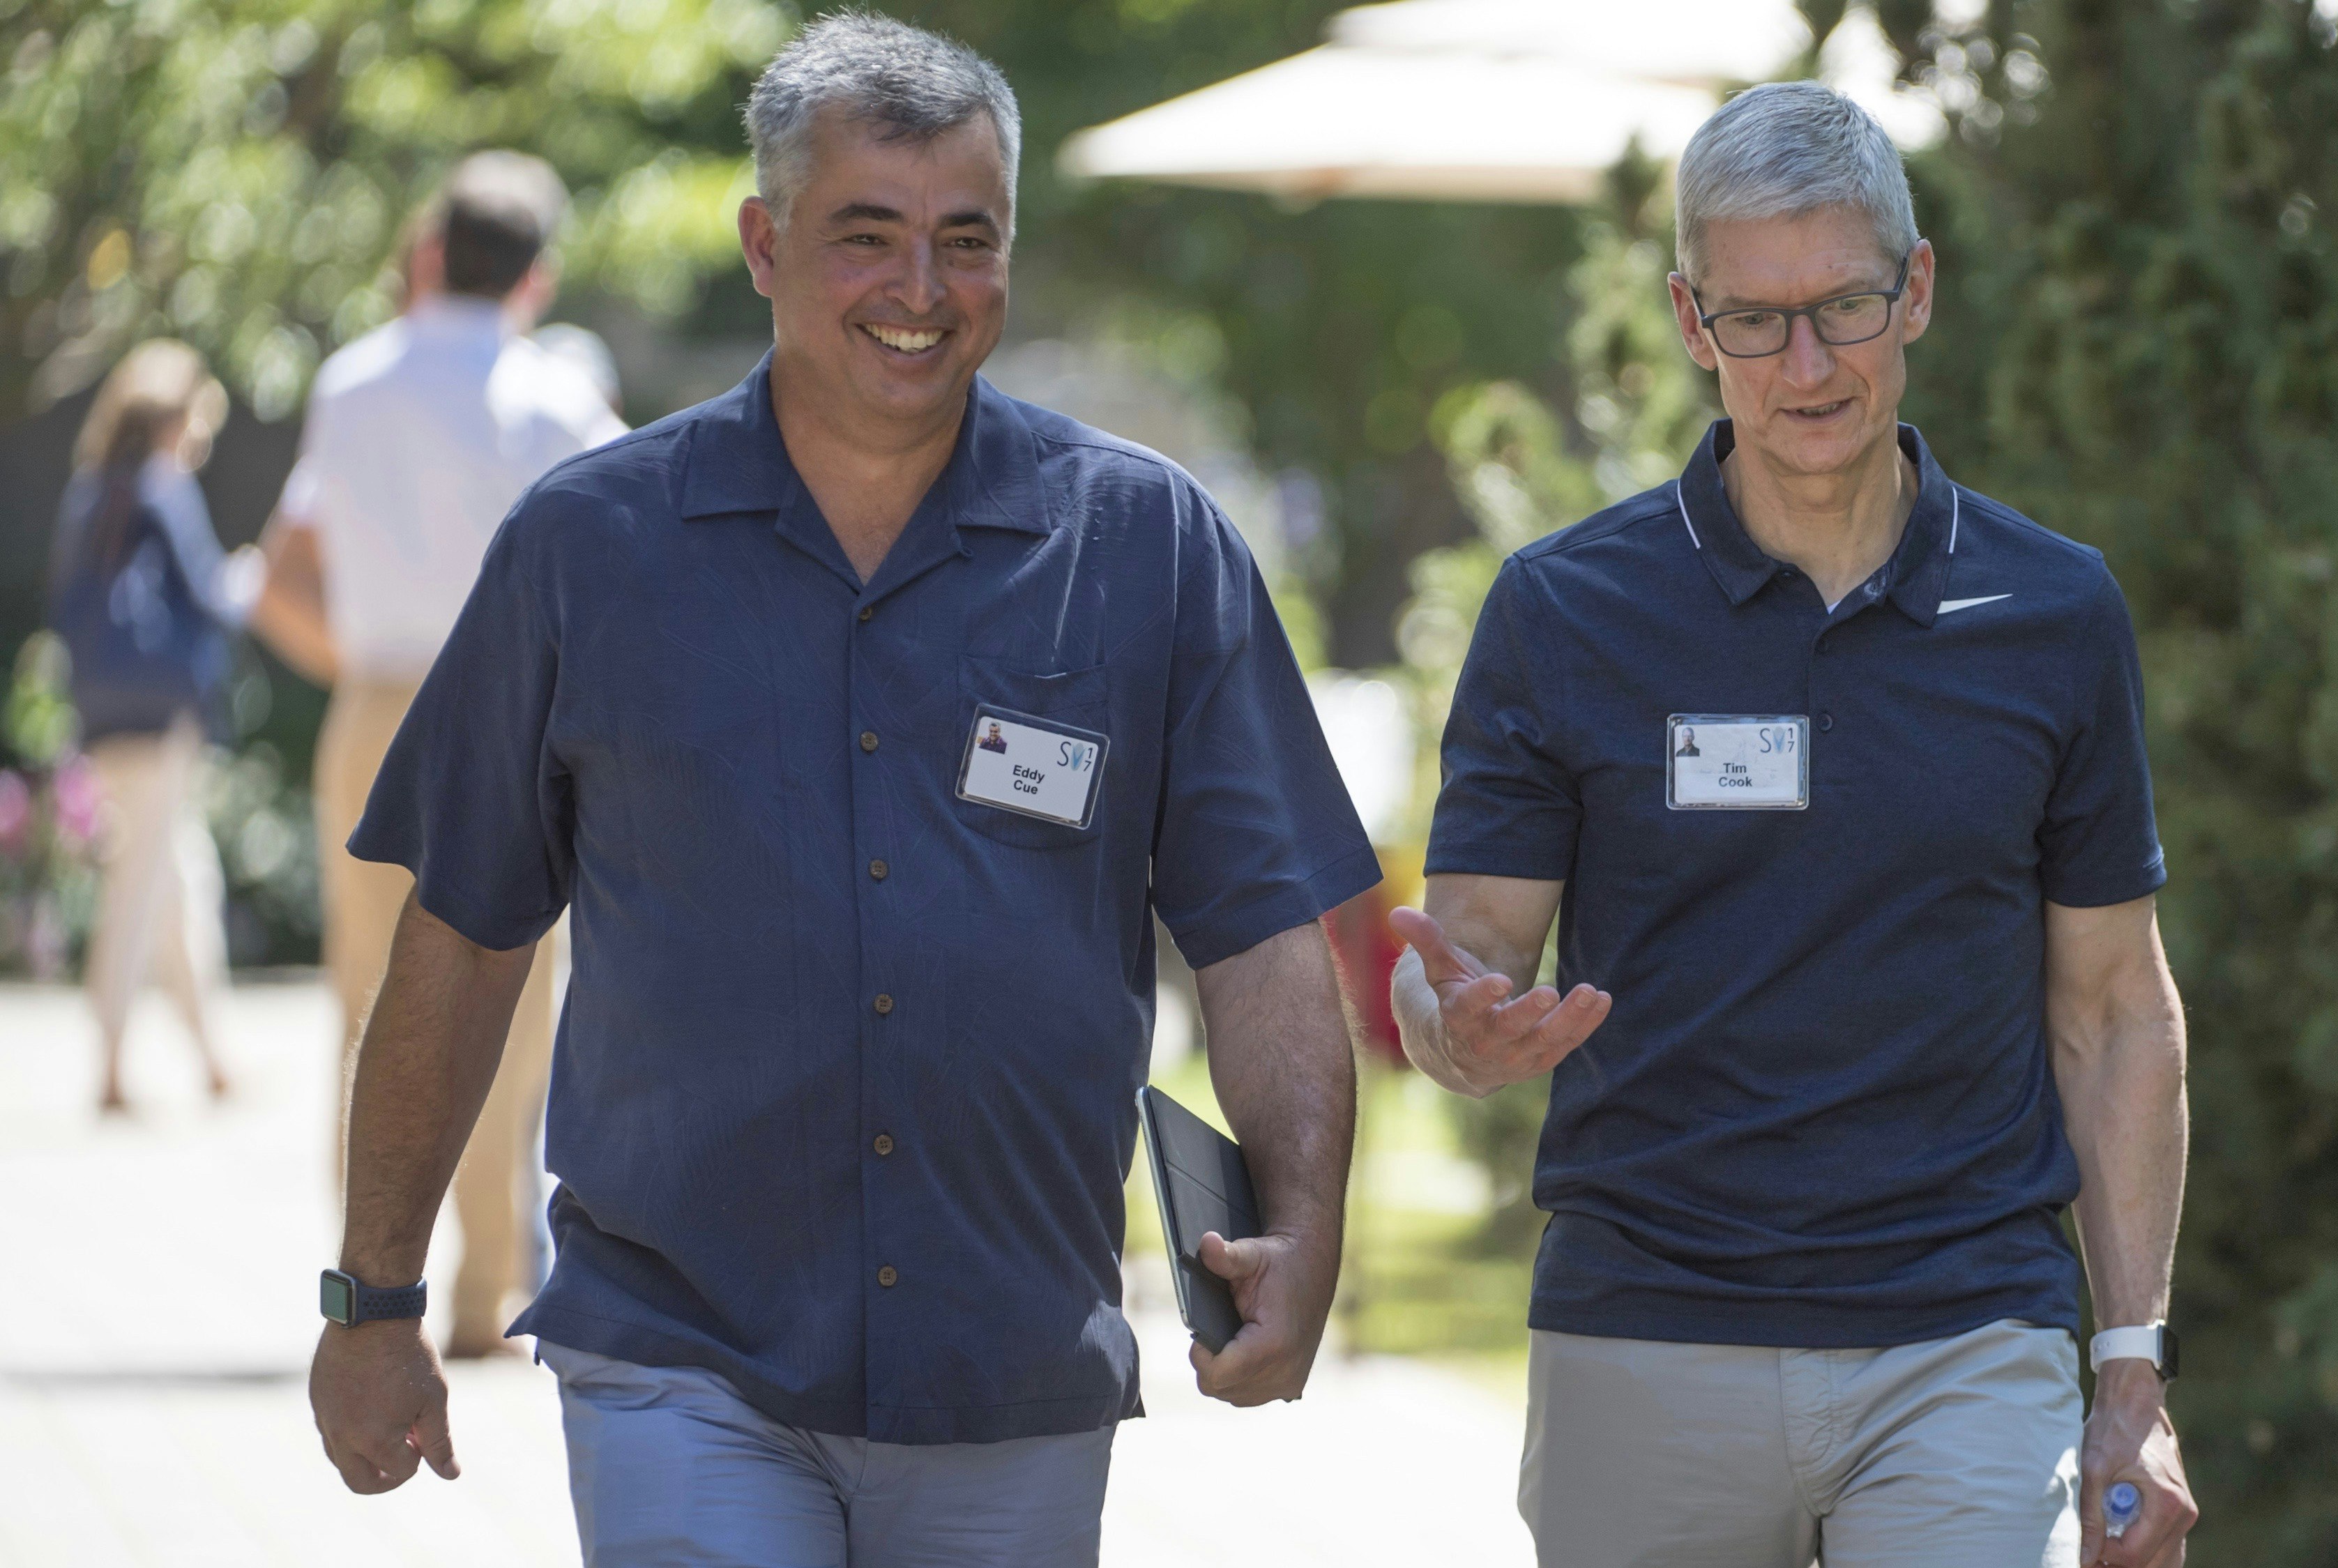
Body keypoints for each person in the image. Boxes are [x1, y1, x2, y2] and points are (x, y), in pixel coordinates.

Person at [305, 17, 1377, 1566]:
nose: (920, 291)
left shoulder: (1145, 547)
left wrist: (1301, 1219)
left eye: (965, 240)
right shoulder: (586, 549)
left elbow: (1258, 928)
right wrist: (374, 1297)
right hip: (680, 1344)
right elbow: (460, 938)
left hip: (1011, 1357)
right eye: (865, 236)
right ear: (762, 242)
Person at [1391, 82, 2198, 1568]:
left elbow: (2110, 1007)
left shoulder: (2053, 611)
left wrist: (2130, 1371)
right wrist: (1451, 1021)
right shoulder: (1565, 611)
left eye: (1840, 303)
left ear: (1917, 292)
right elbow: (1465, 952)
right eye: (1754, 320)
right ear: (1693, 323)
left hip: (1964, 1329)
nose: (1804, 362)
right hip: (1646, 1324)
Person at [250, 150, 628, 1360]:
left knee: (365, 990)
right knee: (516, 997)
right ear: (538, 275)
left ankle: (370, 1273)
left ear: (428, 254)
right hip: (518, 705)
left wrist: (361, 660)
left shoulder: (349, 382)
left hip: (375, 702)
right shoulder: (558, 396)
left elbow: (280, 568)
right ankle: (490, 1284)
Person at [49, 340, 259, 1113]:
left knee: (176, 871)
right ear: (175, 415)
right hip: (160, 708)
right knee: (143, 882)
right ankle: (108, 1062)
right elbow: (210, 594)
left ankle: (213, 1056)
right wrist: (253, 579)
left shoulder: (86, 492)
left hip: (104, 707)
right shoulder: (163, 485)